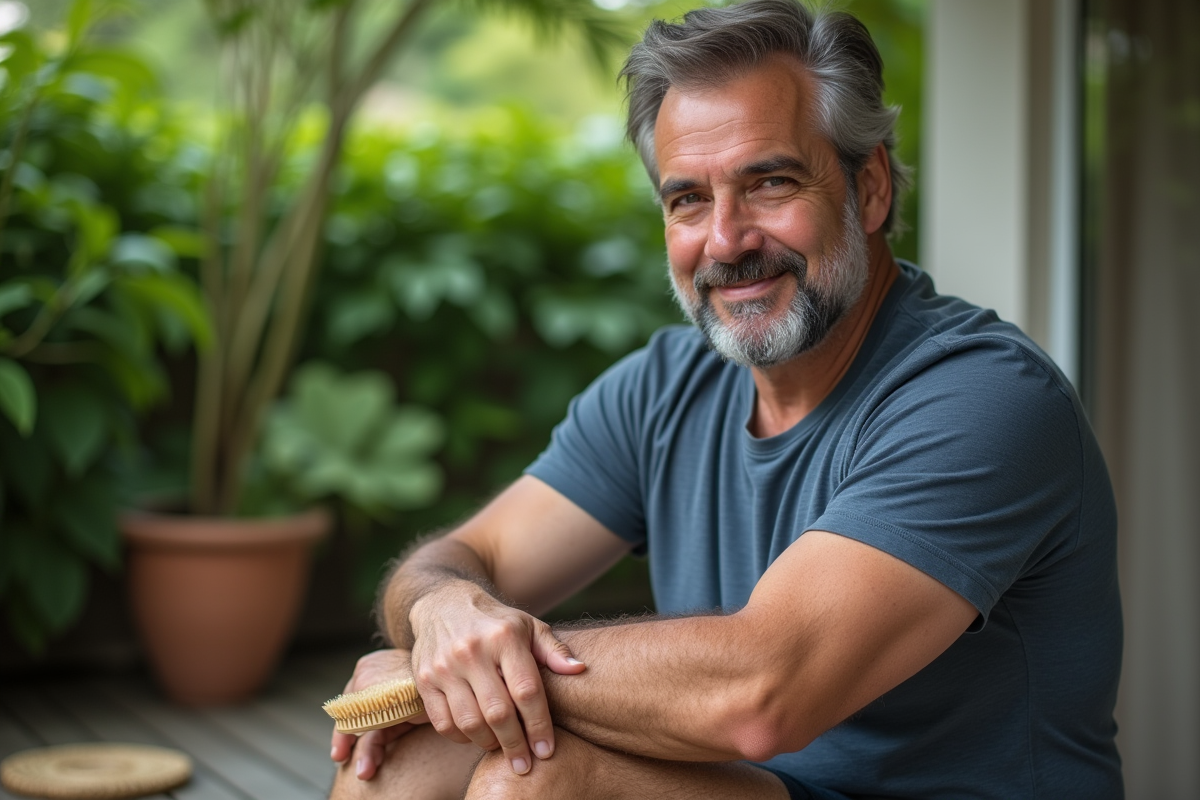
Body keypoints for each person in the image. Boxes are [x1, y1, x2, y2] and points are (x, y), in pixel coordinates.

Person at [328, 1, 1123, 797]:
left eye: (770, 182)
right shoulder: (666, 389)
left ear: (870, 186)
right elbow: (462, 559)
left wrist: (449, 676)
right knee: (402, 756)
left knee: (537, 781)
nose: (726, 240)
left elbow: (762, 692)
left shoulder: (982, 397)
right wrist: (443, 616)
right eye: (688, 200)